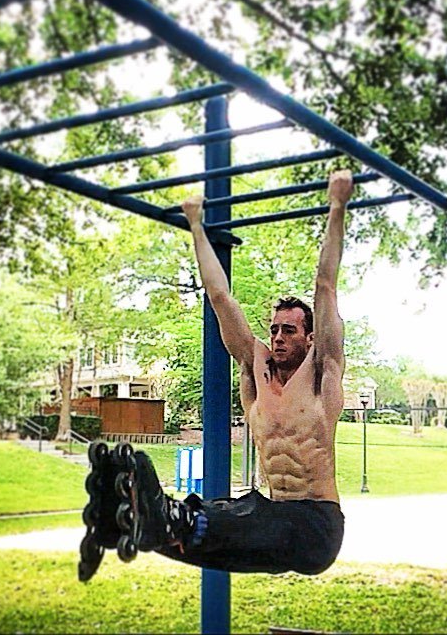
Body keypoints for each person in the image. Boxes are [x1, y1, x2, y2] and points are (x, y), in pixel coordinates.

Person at [111, 170, 353, 576]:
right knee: (208, 527)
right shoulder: (255, 369)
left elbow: (325, 284)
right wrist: (195, 225)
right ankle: (129, 522)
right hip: (273, 522)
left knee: (252, 514)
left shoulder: (322, 373)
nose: (278, 337)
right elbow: (219, 296)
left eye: (289, 330)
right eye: (274, 329)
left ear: (309, 338)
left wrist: (337, 205)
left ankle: (171, 517)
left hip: (316, 526)